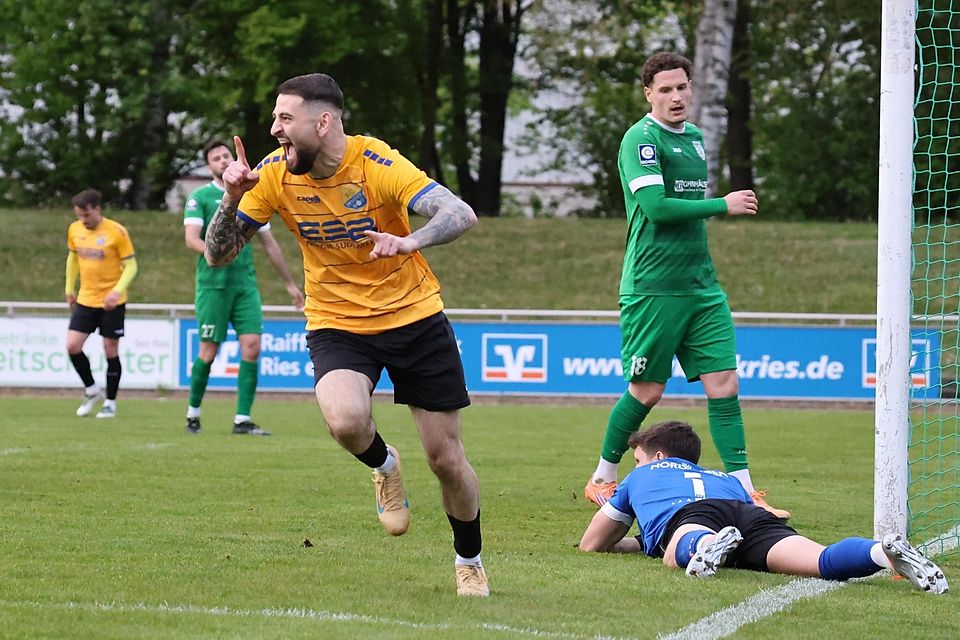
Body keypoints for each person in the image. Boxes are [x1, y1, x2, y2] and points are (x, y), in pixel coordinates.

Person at [203, 73, 488, 596]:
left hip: (415, 317)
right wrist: (230, 197)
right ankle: (384, 464)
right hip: (337, 320)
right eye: (274, 119)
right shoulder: (271, 175)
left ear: (324, 121)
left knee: (447, 460)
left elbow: (459, 212)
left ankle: (468, 558)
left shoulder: (376, 163)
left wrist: (409, 242)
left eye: (285, 119)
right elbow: (217, 254)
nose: (274, 131)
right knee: (345, 420)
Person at [584, 51, 789, 520]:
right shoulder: (642, 139)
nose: (676, 97)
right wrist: (723, 204)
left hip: (701, 285)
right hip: (653, 286)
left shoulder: (694, 138)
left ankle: (745, 491)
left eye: (682, 87)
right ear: (648, 94)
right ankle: (602, 476)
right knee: (647, 391)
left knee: (724, 384)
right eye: (665, 89)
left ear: (691, 88)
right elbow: (656, 208)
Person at [579, 420, 949, 594]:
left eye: (638, 459)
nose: (636, 466)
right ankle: (882, 553)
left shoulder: (644, 476)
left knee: (681, 547)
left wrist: (632, 538)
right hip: (745, 513)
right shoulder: (722, 476)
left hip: (694, 519)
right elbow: (763, 511)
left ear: (658, 456)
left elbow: (592, 543)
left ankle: (706, 548)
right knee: (821, 562)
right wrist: (643, 541)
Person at [183, 139, 305, 436]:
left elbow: (270, 245)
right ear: (209, 165)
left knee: (252, 347)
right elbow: (191, 239)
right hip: (214, 286)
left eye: (226, 155)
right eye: (216, 158)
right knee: (209, 351)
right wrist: (216, 253)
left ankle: (242, 419)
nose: (224, 161)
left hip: (245, 286)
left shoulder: (251, 196)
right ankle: (193, 413)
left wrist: (291, 285)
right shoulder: (200, 197)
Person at [65, 189, 138, 419]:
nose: (82, 221)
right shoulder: (75, 229)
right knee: (72, 346)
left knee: (110, 350)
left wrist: (116, 292)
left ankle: (111, 402)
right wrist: (69, 288)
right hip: (86, 299)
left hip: (111, 302)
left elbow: (132, 266)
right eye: (79, 216)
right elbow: (73, 258)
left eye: (86, 215)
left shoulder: (117, 232)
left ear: (97, 209)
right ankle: (91, 390)